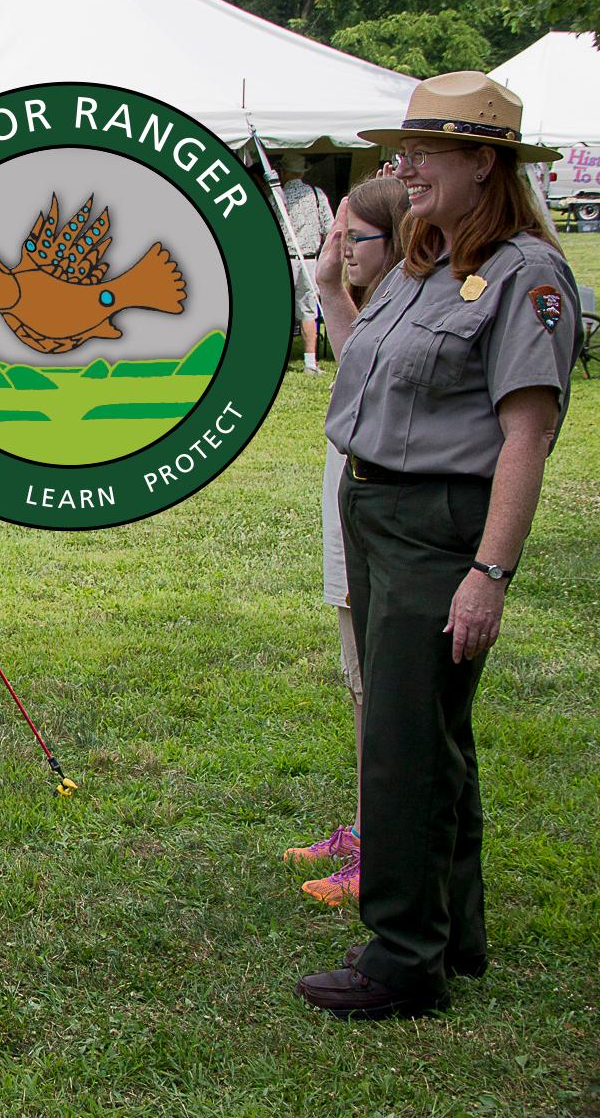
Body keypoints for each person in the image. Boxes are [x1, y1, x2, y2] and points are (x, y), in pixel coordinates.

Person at [296, 72, 582, 1019]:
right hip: (372, 511)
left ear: (481, 162)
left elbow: (526, 435)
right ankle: (453, 934)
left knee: (403, 740)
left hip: (437, 527)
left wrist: (488, 573)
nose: (402, 166)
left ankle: (401, 958)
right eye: (403, 147)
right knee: (430, 734)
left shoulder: (524, 275)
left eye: (425, 151)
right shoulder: (422, 262)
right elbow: (368, 376)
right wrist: (336, 286)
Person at [284, 176, 410, 907]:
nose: (336, 248)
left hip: (386, 524)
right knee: (360, 683)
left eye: (351, 237)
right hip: (353, 521)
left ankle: (383, 849)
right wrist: (332, 285)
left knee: (383, 690)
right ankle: (367, 827)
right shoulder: (386, 309)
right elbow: (359, 368)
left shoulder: (416, 309)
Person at [278, 152, 333, 374]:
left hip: (284, 258)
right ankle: (310, 362)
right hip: (310, 258)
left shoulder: (278, 196)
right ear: (302, 172)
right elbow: (328, 227)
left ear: (284, 172)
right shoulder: (317, 195)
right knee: (309, 310)